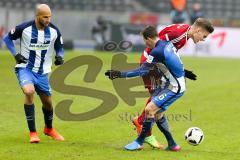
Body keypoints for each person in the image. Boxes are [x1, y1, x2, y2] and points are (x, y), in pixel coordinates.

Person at [131, 18, 214, 150]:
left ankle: (145, 128)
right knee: (157, 96)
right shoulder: (179, 35)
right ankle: (141, 125)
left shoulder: (185, 34)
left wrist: (181, 70)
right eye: (204, 36)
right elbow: (158, 46)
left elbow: (169, 53)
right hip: (151, 63)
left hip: (157, 64)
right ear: (198, 30)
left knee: (157, 97)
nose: (203, 39)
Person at [105, 26, 187, 151]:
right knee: (157, 113)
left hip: (175, 87)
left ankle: (139, 141)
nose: (145, 44)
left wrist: (118, 74)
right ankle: (172, 144)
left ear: (148, 39)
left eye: (145, 41)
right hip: (171, 83)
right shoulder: (166, 44)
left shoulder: (156, 51)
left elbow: (142, 71)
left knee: (149, 110)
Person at [3, 4, 64, 143]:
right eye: (45, 17)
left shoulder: (54, 30)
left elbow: (60, 47)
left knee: (48, 103)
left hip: (42, 73)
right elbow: (7, 38)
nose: (48, 20)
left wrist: (60, 57)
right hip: (25, 68)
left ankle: (49, 129)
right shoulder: (24, 28)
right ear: (37, 16)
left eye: (49, 17)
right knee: (29, 91)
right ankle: (33, 133)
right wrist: (16, 54)